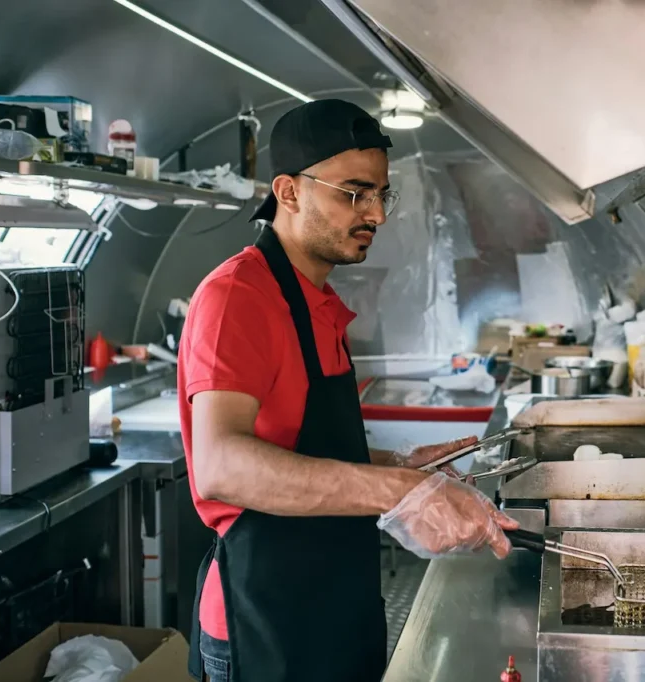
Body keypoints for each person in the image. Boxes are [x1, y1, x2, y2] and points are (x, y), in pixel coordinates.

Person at [179, 99, 518, 682]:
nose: (376, 215)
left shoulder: (318, 303)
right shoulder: (239, 298)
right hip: (266, 623)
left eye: (381, 195)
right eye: (353, 193)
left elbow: (297, 445)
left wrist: (401, 466)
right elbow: (222, 467)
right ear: (288, 192)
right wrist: (400, 490)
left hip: (334, 607)